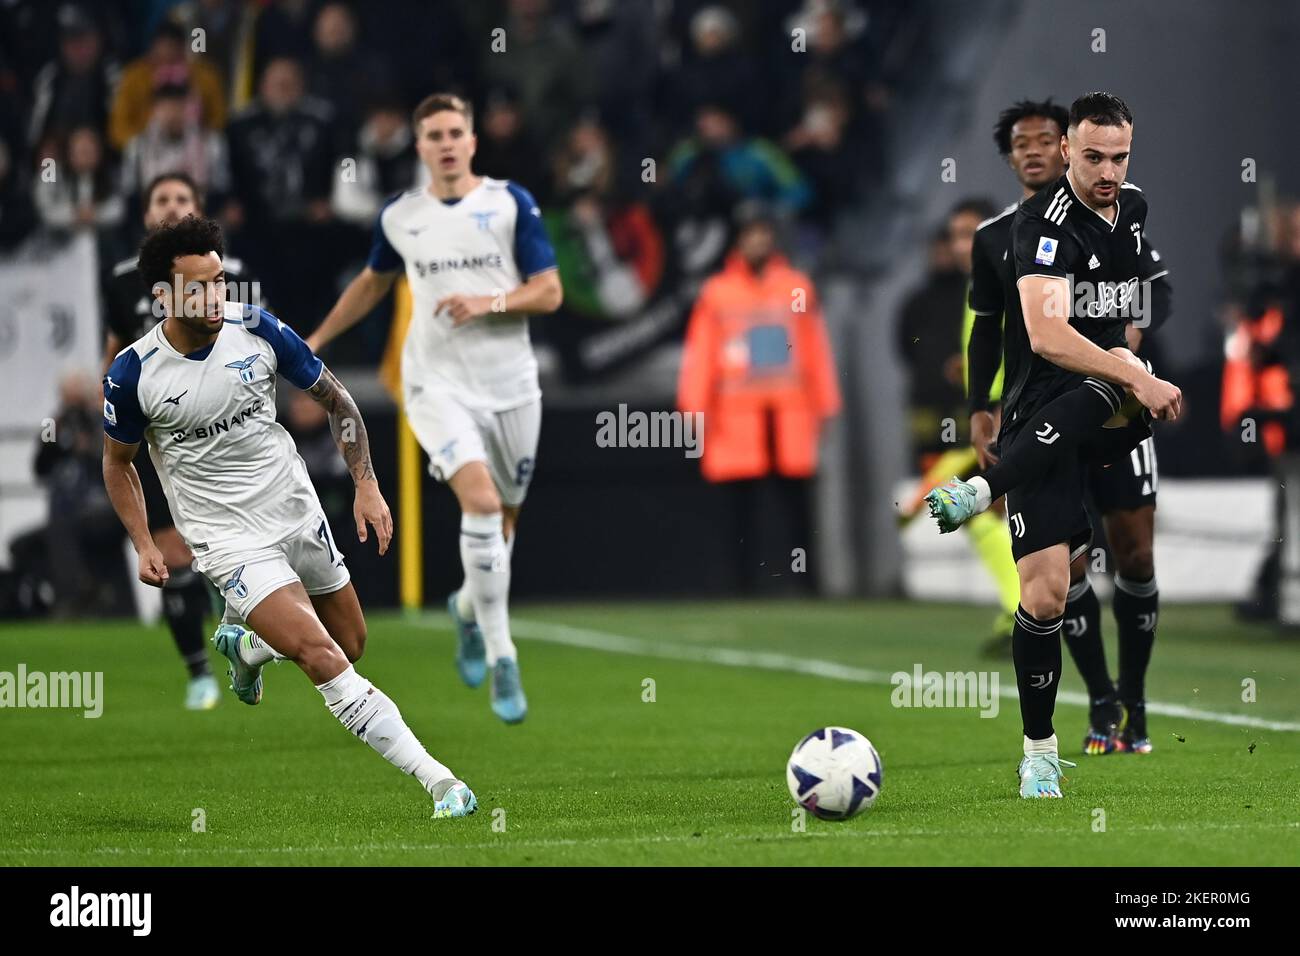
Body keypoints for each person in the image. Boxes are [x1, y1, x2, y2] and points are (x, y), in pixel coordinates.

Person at [102, 214, 475, 816]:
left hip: (294, 509)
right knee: (321, 658)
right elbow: (118, 464)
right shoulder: (134, 373)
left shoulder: (258, 330)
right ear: (163, 297)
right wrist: (144, 541)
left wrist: (366, 483)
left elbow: (337, 399)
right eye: (196, 287)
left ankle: (248, 648)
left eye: (219, 281)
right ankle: (441, 782)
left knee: (350, 643)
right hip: (226, 539)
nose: (214, 296)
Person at [925, 92, 1181, 797]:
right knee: (1045, 596)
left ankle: (1129, 702)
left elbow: (1143, 296)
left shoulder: (1133, 209)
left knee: (1132, 550)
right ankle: (1040, 751)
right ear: (1068, 151)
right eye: (1093, 156)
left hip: (1110, 407)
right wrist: (1131, 368)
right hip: (1044, 410)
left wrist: (1130, 349)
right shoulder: (1039, 226)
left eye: (1119, 157)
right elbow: (1044, 336)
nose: (1107, 171)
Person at [307, 93, 563, 724]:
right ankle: (504, 655)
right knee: (478, 503)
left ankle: (469, 611)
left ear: (472, 141)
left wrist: (489, 302)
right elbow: (373, 281)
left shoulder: (508, 204)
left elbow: (550, 291)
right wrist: (314, 341)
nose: (446, 143)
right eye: (434, 135)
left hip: (509, 385)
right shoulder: (402, 216)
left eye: (456, 132)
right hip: (434, 384)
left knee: (502, 524)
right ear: (419, 147)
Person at [101, 171, 257, 710]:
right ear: (145, 213)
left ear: (198, 208)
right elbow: (116, 348)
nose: (170, 206)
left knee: (233, 549)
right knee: (173, 552)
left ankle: (239, 635)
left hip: (230, 432)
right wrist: (113, 403)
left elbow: (257, 342)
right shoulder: (123, 278)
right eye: (160, 198)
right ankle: (199, 673)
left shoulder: (232, 274)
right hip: (163, 432)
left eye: (181, 199)